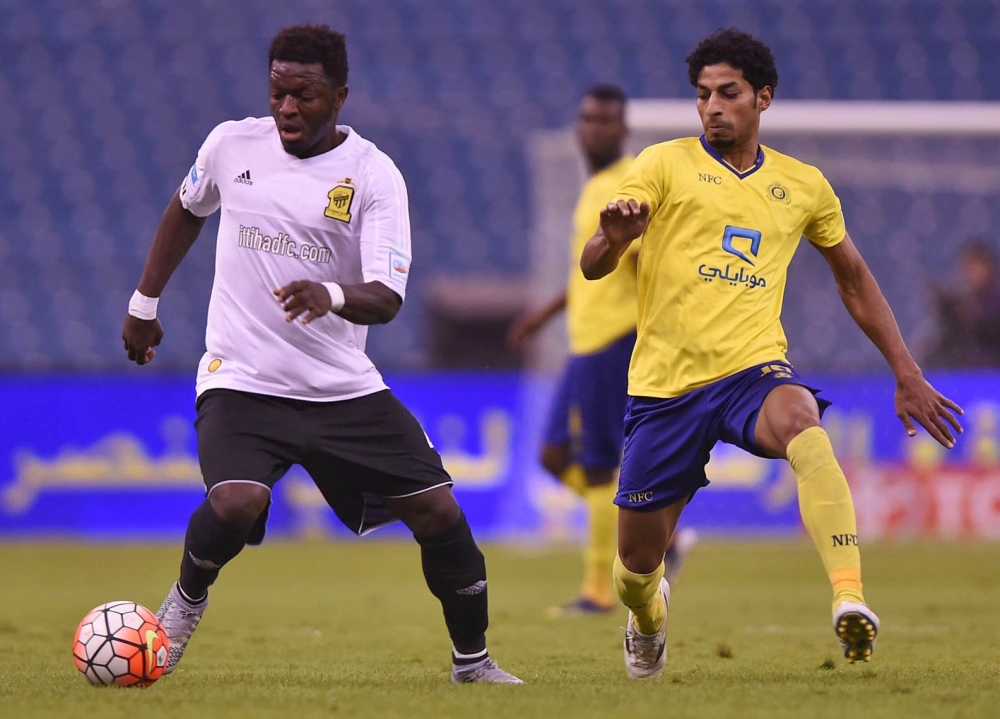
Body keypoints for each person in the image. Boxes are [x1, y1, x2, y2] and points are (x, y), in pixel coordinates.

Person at [121, 25, 521, 685]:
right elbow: (187, 209)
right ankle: (185, 602)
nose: (286, 108)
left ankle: (473, 663)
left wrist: (330, 294)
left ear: (338, 97)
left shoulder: (373, 175)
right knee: (237, 501)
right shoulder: (230, 145)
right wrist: (144, 304)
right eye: (277, 92)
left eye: (303, 95)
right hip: (242, 378)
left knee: (439, 511)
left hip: (340, 388)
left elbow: (387, 297)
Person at [580, 28, 964, 679]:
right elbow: (593, 263)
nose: (712, 107)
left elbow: (853, 278)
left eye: (727, 93)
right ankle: (648, 616)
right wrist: (613, 240)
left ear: (763, 97)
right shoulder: (663, 164)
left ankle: (850, 596)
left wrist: (906, 370)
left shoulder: (804, 185)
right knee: (636, 569)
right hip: (665, 388)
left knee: (804, 426)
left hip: (751, 372)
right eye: (703, 94)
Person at [508, 85, 696, 616]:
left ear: (623, 128)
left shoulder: (627, 186)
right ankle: (659, 536)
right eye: (586, 118)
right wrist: (544, 315)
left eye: (604, 120)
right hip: (583, 341)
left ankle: (597, 591)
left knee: (596, 466)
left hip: (615, 340)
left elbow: (645, 261)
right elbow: (592, 269)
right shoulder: (594, 186)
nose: (592, 128)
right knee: (553, 456)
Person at [924, 239, 1000, 369]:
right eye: (968, 266)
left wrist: (975, 318)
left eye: (976, 265)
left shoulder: (995, 302)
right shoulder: (958, 303)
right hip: (961, 370)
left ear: (989, 267)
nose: (972, 272)